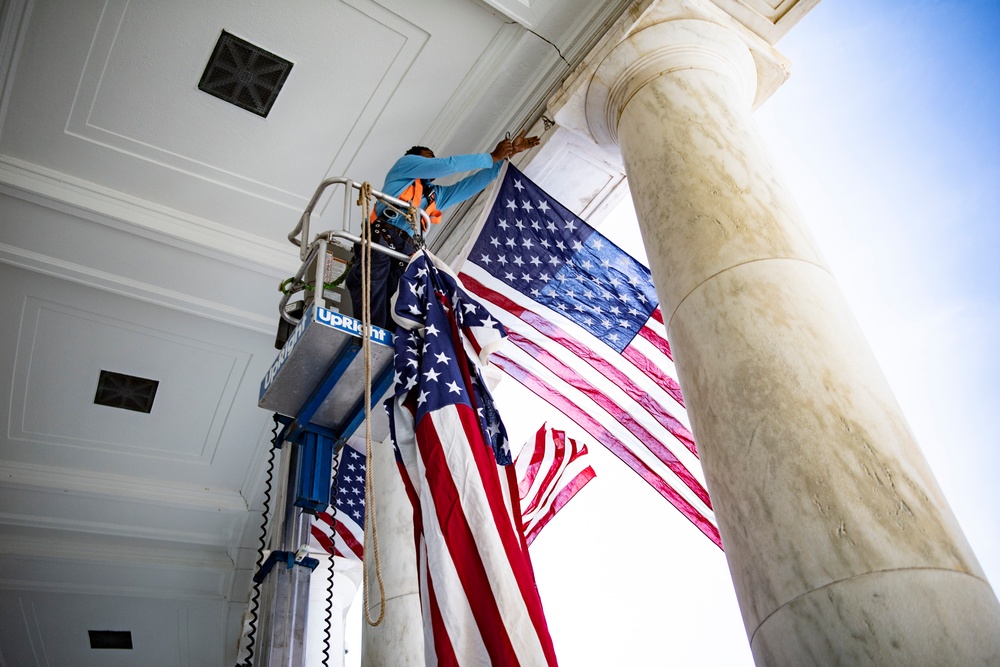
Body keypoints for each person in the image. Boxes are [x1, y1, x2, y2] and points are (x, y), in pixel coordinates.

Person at [347, 130, 539, 329]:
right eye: (427, 160)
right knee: (372, 284)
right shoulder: (403, 168)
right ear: (415, 160)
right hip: (382, 236)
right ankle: (368, 337)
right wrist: (491, 157)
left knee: (398, 298)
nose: (431, 164)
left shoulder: (434, 195)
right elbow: (446, 165)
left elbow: (469, 186)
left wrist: (504, 158)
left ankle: (385, 340)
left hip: (406, 250)